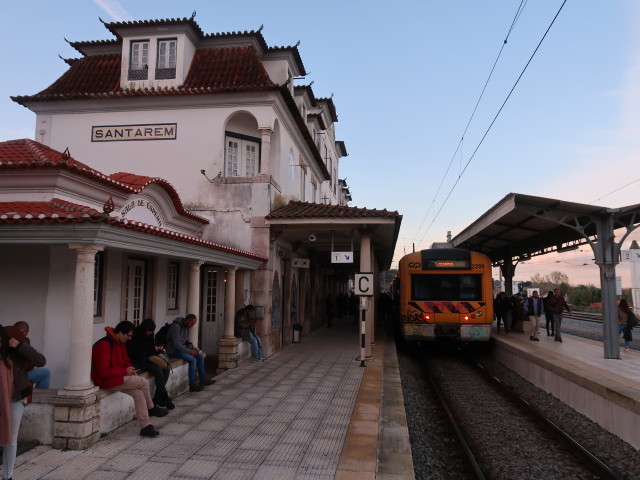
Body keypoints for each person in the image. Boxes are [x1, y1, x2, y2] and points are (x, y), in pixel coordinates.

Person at [91, 321, 168, 437]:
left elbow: (125, 360)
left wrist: (130, 369)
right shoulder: (104, 345)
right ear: (121, 332)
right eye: (129, 335)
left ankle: (145, 426)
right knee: (142, 382)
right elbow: (102, 372)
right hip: (106, 380)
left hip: (118, 378)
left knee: (139, 394)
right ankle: (151, 408)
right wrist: (125, 371)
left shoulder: (120, 343)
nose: (130, 338)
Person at [1, 324, 46, 480]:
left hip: (15, 399)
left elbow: (40, 361)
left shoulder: (17, 352)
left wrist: (20, 345)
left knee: (11, 440)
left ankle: (7, 476)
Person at [127, 318, 174, 410]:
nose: (150, 333)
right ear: (144, 328)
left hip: (150, 357)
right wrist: (152, 349)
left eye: (152, 331)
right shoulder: (135, 335)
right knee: (158, 371)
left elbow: (151, 345)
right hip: (140, 360)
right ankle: (165, 396)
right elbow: (136, 351)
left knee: (166, 369)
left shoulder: (150, 334)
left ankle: (157, 397)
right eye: (148, 331)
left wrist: (156, 348)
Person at [165, 314, 215, 392]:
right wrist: (189, 351)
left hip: (181, 349)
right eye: (191, 324)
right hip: (172, 350)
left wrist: (194, 349)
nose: (192, 326)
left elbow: (185, 342)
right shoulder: (176, 326)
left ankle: (203, 379)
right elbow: (176, 344)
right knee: (192, 360)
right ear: (188, 320)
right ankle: (192, 385)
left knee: (200, 357)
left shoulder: (185, 327)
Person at [12, 321, 51, 389]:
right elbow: (41, 362)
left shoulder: (7, 339)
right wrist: (21, 346)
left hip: (11, 376)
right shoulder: (22, 342)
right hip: (14, 377)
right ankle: (39, 399)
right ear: (25, 332)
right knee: (45, 373)